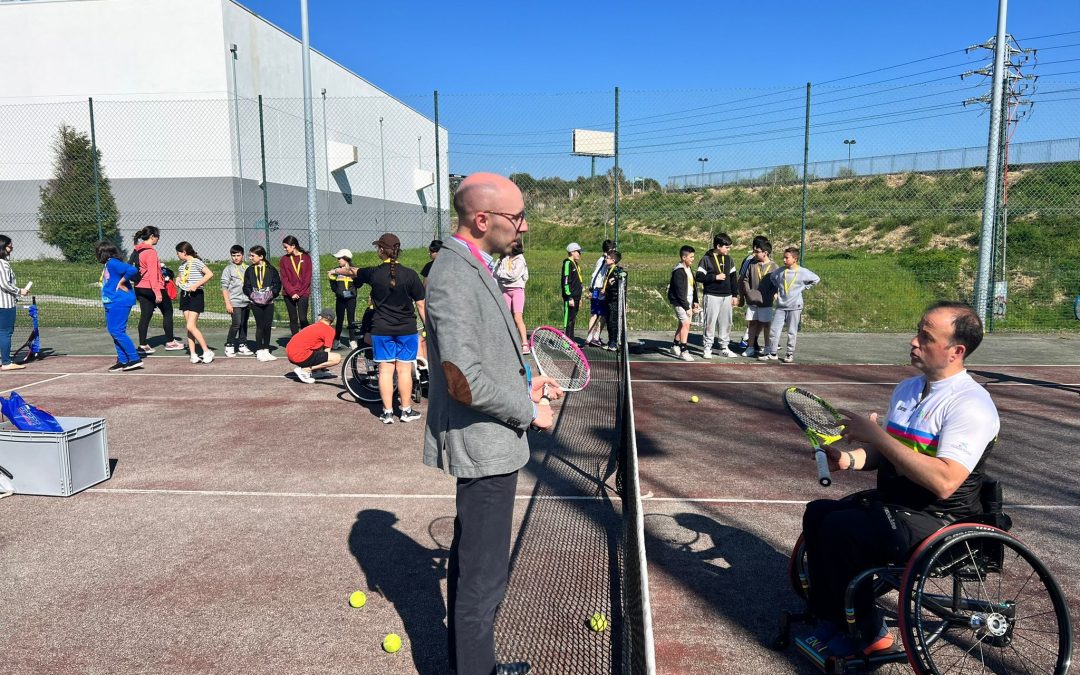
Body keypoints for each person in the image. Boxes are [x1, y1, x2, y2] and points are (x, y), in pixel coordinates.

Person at [796, 301, 1000, 661]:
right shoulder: (907, 389)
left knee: (843, 529)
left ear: (956, 351)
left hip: (941, 517)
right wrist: (849, 459)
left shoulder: (972, 405)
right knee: (818, 514)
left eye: (925, 336)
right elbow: (888, 454)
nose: (913, 341)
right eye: (917, 332)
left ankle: (870, 632)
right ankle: (832, 618)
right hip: (897, 505)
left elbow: (944, 482)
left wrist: (877, 436)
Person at [424, 172, 563, 675]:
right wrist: (528, 411)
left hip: (493, 440)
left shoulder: (476, 264)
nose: (523, 227)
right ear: (482, 220)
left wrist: (524, 387)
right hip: (485, 447)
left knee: (472, 568)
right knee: (483, 582)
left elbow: (482, 361)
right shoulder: (456, 273)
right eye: (516, 217)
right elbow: (462, 379)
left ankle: (474, 665)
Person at [346, 233, 426, 424]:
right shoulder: (410, 274)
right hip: (406, 329)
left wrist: (338, 271)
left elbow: (353, 271)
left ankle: (388, 412)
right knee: (404, 371)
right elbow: (421, 304)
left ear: (381, 250)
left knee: (385, 370)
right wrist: (428, 327)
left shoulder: (374, 273)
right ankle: (406, 411)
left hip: (381, 329)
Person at [131, 226, 184, 354]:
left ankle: (143, 345)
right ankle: (170, 342)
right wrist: (157, 292)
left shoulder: (137, 250)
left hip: (139, 287)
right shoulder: (151, 252)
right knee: (168, 311)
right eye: (157, 236)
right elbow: (153, 274)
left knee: (145, 315)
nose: (158, 239)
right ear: (152, 237)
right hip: (152, 287)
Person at [761, 247, 819, 363]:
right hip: (781, 306)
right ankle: (772, 353)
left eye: (787, 258)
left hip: (795, 306)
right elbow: (773, 278)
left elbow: (816, 279)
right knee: (774, 330)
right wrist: (777, 291)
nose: (784, 260)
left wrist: (804, 287)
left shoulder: (803, 272)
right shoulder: (780, 271)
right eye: (784, 257)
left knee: (792, 331)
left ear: (795, 259)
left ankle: (789, 353)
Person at [95, 241, 143, 372]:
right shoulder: (108, 264)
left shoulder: (112, 262)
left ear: (102, 253)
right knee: (113, 330)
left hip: (119, 301)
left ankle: (134, 359)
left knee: (117, 330)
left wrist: (122, 281)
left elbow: (132, 269)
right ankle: (123, 360)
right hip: (111, 301)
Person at [696, 233, 740, 358]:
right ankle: (707, 347)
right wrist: (715, 277)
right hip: (712, 295)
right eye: (726, 247)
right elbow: (699, 276)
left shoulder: (729, 259)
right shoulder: (706, 259)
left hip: (727, 296)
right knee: (710, 322)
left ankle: (724, 347)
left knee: (726, 322)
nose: (728, 249)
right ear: (718, 246)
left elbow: (733, 278)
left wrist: (735, 295)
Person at [175, 242, 215, 364]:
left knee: (190, 326)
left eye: (178, 253)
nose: (177, 255)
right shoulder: (182, 266)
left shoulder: (197, 262)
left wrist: (196, 285)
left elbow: (209, 274)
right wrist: (178, 279)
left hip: (196, 295)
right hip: (185, 295)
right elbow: (181, 277)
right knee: (189, 327)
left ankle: (207, 351)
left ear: (184, 252)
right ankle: (193, 354)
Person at [242, 245, 282, 362]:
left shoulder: (271, 269)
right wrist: (253, 296)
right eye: (250, 255)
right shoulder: (249, 270)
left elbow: (277, 284)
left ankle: (266, 350)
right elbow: (246, 286)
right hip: (255, 303)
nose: (250, 258)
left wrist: (271, 295)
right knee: (260, 326)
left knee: (267, 326)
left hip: (269, 302)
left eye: (252, 255)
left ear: (261, 256)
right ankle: (259, 350)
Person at [740, 239, 778, 358]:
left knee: (766, 324)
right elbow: (745, 279)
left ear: (765, 253)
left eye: (757, 251)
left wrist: (773, 293)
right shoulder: (752, 264)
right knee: (752, 324)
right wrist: (748, 292)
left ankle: (767, 347)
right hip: (753, 301)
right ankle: (750, 347)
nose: (754, 253)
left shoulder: (774, 266)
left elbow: (777, 283)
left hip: (766, 302)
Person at [285, 308, 342, 384]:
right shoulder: (329, 330)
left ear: (321, 318)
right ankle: (305, 370)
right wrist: (323, 367)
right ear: (332, 321)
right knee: (336, 358)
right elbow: (327, 352)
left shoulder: (313, 326)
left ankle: (316, 372)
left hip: (290, 353)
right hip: (300, 355)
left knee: (318, 350)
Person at [0, 235, 31, 371]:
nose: (11, 248)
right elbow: (5, 284)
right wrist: (20, 291)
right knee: (6, 332)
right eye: (9, 245)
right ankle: (6, 362)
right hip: (5, 304)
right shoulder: (3, 264)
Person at [494, 241, 529, 354]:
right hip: (505, 290)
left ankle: (525, 344)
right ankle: (509, 343)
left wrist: (502, 274)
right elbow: (495, 272)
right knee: (505, 318)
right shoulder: (503, 258)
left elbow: (514, 275)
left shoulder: (520, 259)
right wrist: (502, 274)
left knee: (517, 318)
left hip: (517, 290)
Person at [737, 235, 769, 354]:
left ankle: (754, 340)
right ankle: (747, 339)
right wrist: (742, 296)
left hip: (764, 298)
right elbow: (741, 279)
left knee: (762, 321)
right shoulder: (750, 260)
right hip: (752, 295)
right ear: (755, 247)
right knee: (753, 320)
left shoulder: (767, 260)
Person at [667, 244, 700, 362]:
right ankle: (683, 350)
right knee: (686, 324)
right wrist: (686, 307)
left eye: (693, 257)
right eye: (691, 257)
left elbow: (693, 286)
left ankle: (675, 345)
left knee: (682, 324)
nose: (693, 259)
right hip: (680, 302)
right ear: (683, 257)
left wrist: (695, 301)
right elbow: (679, 291)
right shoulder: (678, 271)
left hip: (688, 301)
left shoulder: (689, 269)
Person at [220, 244, 253, 358]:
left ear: (243, 256)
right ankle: (229, 345)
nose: (236, 258)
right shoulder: (228, 269)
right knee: (236, 323)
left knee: (244, 324)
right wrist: (227, 303)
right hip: (234, 301)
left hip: (247, 300)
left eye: (238, 255)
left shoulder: (248, 268)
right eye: (233, 255)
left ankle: (242, 345)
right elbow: (224, 287)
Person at [279, 234, 312, 335]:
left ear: (293, 246)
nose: (284, 249)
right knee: (293, 318)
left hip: (303, 292)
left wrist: (299, 292)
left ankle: (307, 339)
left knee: (303, 318)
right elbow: (284, 278)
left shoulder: (306, 258)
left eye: (286, 247)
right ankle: (295, 340)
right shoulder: (284, 259)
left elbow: (307, 277)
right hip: (289, 293)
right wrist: (292, 292)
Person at [584, 239, 614, 346]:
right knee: (603, 314)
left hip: (595, 288)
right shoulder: (605, 260)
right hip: (599, 289)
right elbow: (599, 275)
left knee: (595, 314)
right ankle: (594, 337)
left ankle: (590, 337)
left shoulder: (600, 259)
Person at [328, 249, 360, 349]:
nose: (338, 260)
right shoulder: (336, 270)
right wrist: (332, 280)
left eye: (339, 258)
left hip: (351, 299)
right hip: (340, 299)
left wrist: (356, 278)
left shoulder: (353, 270)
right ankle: (336, 340)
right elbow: (333, 286)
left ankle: (352, 340)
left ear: (346, 259)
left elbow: (358, 284)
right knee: (340, 320)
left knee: (351, 320)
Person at [602, 250, 626, 351]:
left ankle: (614, 342)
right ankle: (610, 341)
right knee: (608, 321)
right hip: (608, 299)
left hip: (614, 300)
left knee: (613, 321)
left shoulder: (617, 271)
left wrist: (620, 275)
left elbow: (622, 276)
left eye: (607, 258)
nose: (605, 259)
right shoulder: (609, 269)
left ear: (613, 260)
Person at [560, 242, 584, 341]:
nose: (579, 254)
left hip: (577, 296)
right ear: (572, 252)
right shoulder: (567, 263)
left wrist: (580, 296)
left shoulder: (576, 264)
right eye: (578, 252)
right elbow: (566, 280)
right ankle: (566, 341)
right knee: (568, 319)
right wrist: (569, 296)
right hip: (570, 298)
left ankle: (571, 340)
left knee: (573, 319)